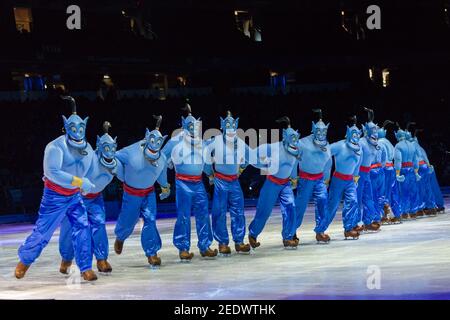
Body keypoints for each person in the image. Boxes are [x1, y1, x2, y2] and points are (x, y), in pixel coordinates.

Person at [15, 96, 97, 281]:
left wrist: (85, 185)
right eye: (73, 128)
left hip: (74, 196)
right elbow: (52, 172)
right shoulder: (55, 146)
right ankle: (25, 261)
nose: (77, 132)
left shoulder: (89, 148)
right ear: (66, 127)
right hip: (55, 196)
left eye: (81, 128)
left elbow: (89, 171)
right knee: (43, 232)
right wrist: (79, 181)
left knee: (83, 227)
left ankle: (85, 267)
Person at [58, 121, 121, 274]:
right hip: (76, 197)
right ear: (99, 147)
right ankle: (66, 258)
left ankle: (101, 259)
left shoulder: (115, 164)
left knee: (99, 224)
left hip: (95, 198)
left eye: (112, 148)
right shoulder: (88, 157)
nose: (110, 152)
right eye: (106, 148)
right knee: (71, 228)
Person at [162, 102, 217, 261]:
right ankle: (183, 248)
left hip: (198, 183)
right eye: (190, 125)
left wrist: (211, 175)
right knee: (184, 216)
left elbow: (206, 163)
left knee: (203, 214)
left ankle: (205, 246)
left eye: (196, 125)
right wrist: (163, 182)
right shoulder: (175, 140)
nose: (193, 128)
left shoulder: (201, 142)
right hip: (182, 183)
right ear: (184, 125)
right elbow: (162, 157)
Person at [113, 115, 171, 267]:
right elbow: (114, 156)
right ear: (146, 139)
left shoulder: (162, 158)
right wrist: (121, 174)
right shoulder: (132, 151)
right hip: (131, 194)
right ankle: (120, 237)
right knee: (128, 221)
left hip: (149, 193)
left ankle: (152, 253)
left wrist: (165, 186)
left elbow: (162, 175)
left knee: (150, 220)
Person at [247, 116, 299, 249]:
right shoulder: (273, 148)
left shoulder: (295, 150)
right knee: (264, 211)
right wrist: (264, 165)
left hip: (285, 184)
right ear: (284, 137)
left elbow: (293, 165)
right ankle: (253, 234)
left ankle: (288, 236)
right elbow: (252, 156)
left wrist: (294, 179)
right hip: (272, 183)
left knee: (291, 207)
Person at [204, 111, 251, 255]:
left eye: (233, 124)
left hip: (234, 181)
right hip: (220, 181)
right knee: (219, 211)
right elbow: (205, 155)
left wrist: (241, 169)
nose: (230, 127)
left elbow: (250, 156)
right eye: (228, 124)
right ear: (222, 126)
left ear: (236, 125)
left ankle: (239, 241)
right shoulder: (215, 141)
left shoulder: (240, 142)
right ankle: (222, 242)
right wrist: (210, 173)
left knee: (238, 211)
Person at [293, 109, 332, 243]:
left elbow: (328, 162)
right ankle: (291, 231)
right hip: (305, 179)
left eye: (324, 132)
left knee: (322, 202)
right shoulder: (302, 143)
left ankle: (320, 231)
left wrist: (326, 178)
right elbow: (294, 159)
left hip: (320, 179)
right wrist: (293, 176)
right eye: (319, 131)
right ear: (313, 129)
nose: (321, 134)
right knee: (300, 206)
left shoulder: (327, 145)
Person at [322, 116, 362, 239]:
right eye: (353, 133)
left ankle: (349, 228)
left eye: (357, 134)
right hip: (338, 180)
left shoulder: (359, 148)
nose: (355, 136)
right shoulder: (339, 146)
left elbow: (358, 164)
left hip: (350, 180)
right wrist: (325, 176)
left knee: (352, 202)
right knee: (332, 205)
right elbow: (326, 154)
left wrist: (355, 177)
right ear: (348, 133)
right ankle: (320, 230)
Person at [356, 108, 381, 232]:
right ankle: (355, 223)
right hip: (359, 173)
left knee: (369, 197)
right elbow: (356, 160)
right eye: (372, 131)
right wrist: (355, 175)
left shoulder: (374, 144)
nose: (375, 134)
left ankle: (368, 221)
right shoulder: (361, 142)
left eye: (376, 130)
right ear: (366, 131)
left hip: (367, 173)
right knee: (358, 198)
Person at [393, 123, 421, 220]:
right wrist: (416, 172)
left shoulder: (398, 145)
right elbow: (416, 160)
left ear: (397, 136)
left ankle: (405, 212)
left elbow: (398, 160)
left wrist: (397, 173)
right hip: (412, 170)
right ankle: (414, 211)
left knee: (404, 191)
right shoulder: (411, 145)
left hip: (404, 170)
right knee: (413, 191)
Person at [377, 120, 401, 223]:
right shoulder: (389, 142)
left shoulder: (379, 143)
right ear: (385, 132)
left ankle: (385, 214)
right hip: (391, 168)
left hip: (384, 169)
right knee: (393, 192)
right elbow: (393, 157)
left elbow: (380, 159)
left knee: (383, 192)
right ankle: (397, 214)